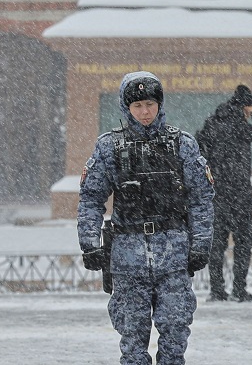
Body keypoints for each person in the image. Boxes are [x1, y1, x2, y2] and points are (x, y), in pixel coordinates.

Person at [78, 71, 214, 365]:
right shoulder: (110, 147)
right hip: (128, 254)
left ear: (160, 104)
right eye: (137, 106)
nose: (145, 112)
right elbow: (91, 198)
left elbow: (201, 199)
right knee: (132, 337)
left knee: (175, 332)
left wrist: (201, 243)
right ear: (126, 108)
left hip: (174, 252)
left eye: (150, 104)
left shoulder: (182, 144)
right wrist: (90, 243)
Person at [196, 84, 252, 302]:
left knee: (216, 245)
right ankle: (239, 289)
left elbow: (198, 149)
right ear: (245, 106)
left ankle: (217, 290)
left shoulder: (213, 122)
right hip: (239, 193)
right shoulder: (240, 126)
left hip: (217, 194)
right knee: (243, 244)